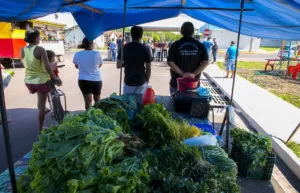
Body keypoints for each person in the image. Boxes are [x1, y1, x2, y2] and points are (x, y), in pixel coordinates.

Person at [21, 29, 61, 133]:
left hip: (28, 81)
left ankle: (43, 112)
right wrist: (55, 77)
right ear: (35, 38)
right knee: (41, 106)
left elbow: (25, 64)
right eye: (39, 37)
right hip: (41, 81)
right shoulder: (40, 49)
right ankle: (40, 128)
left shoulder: (22, 49)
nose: (40, 39)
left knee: (40, 103)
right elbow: (47, 67)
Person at [167, 22, 209, 95]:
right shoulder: (200, 45)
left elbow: (170, 62)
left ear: (181, 31)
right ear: (193, 32)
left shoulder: (175, 45)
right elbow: (206, 62)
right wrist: (193, 74)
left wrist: (182, 73)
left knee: (176, 105)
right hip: (193, 84)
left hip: (177, 83)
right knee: (192, 105)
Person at [117, 26, 152, 95]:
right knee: (141, 104)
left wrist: (127, 62)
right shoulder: (146, 48)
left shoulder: (124, 48)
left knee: (128, 104)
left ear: (131, 35)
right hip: (141, 81)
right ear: (141, 36)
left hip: (128, 81)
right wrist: (147, 80)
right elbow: (148, 69)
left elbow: (118, 65)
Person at [73, 38, 103, 110]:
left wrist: (84, 67)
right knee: (97, 101)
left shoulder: (77, 54)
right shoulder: (97, 53)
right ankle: (97, 118)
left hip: (83, 80)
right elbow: (100, 65)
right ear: (92, 44)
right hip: (96, 80)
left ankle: (89, 118)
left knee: (88, 102)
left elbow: (76, 66)